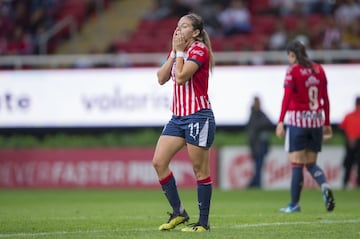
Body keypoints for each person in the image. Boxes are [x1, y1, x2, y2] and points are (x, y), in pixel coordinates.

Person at [152, 12, 215, 232]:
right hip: (178, 117)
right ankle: (179, 212)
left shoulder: (199, 50)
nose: (179, 29)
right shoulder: (178, 51)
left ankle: (204, 223)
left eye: (185, 26)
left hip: (198, 115)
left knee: (200, 171)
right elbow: (161, 78)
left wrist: (178, 52)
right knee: (159, 162)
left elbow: (180, 76)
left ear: (196, 32)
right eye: (178, 25)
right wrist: (173, 52)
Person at [275, 40, 335, 213]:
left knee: (296, 163)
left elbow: (286, 98)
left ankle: (294, 204)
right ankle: (324, 184)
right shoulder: (319, 69)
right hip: (316, 122)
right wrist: (327, 123)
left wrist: (280, 121)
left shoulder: (293, 70)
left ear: (292, 55)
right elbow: (325, 98)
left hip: (298, 122)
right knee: (310, 163)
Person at [246, 96, 273, 188]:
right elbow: (252, 131)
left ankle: (255, 184)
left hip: (260, 143)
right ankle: (255, 184)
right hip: (257, 144)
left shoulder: (260, 114)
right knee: (258, 165)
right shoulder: (255, 115)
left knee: (259, 165)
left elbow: (268, 123)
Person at [339, 96, 360, 189]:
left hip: (350, 141)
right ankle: (354, 184)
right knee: (350, 163)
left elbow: (342, 128)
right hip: (354, 141)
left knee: (348, 164)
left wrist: (350, 138)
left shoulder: (348, 115)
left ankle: (345, 184)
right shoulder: (349, 115)